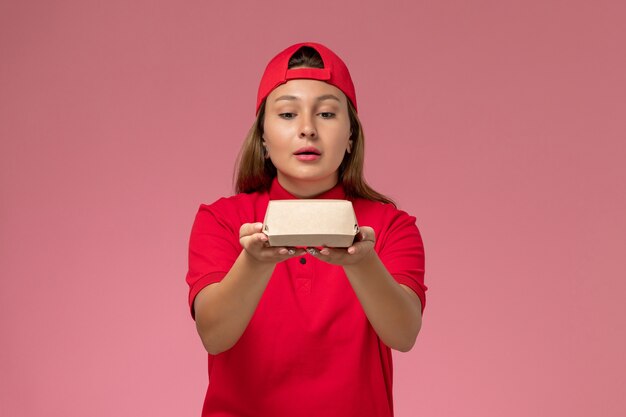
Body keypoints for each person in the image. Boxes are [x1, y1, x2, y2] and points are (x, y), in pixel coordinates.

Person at [185, 42, 427, 417]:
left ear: (351, 137)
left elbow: (404, 334)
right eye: (287, 114)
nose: (307, 129)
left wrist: (361, 262)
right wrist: (255, 263)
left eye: (327, 113)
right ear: (263, 137)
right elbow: (214, 336)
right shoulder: (222, 221)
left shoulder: (391, 226)